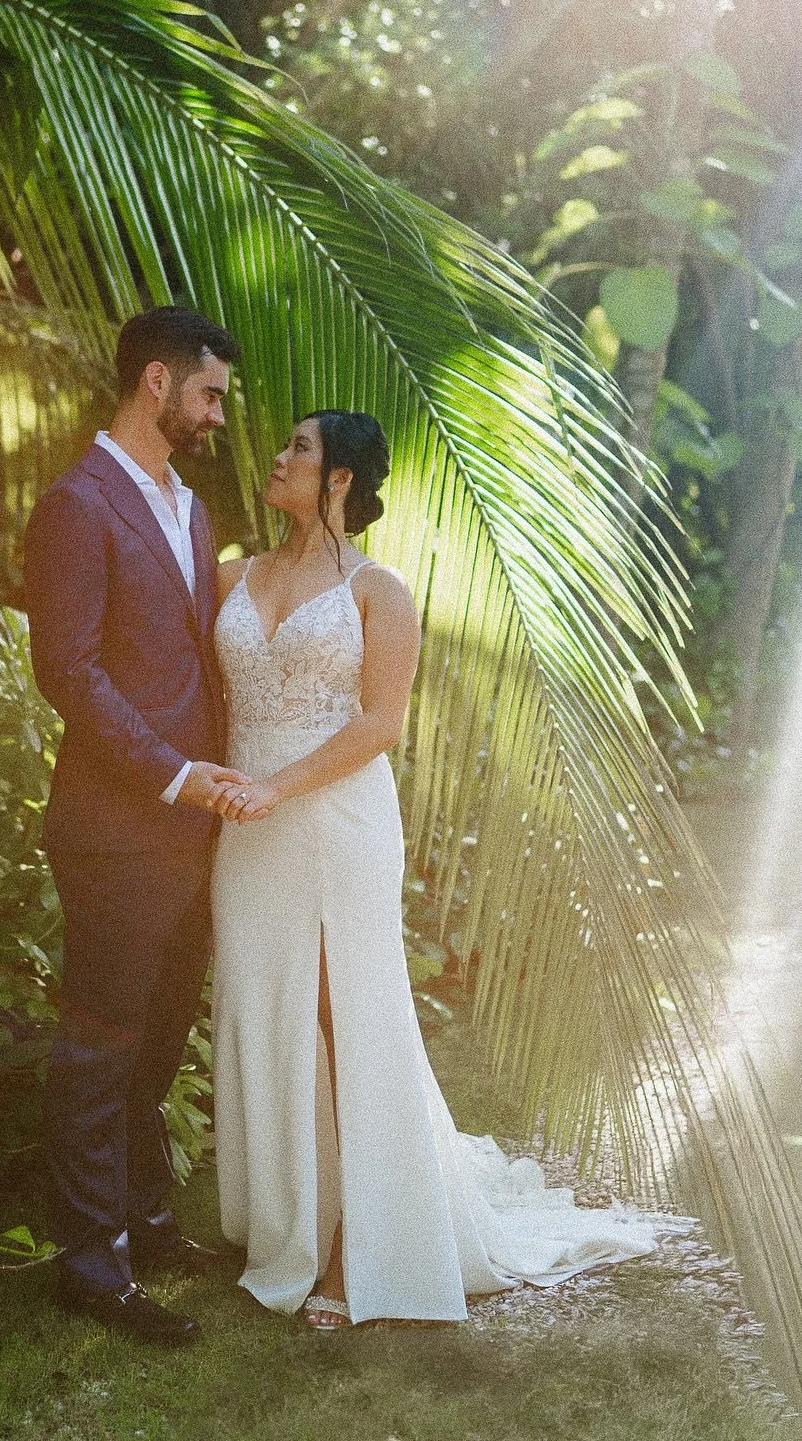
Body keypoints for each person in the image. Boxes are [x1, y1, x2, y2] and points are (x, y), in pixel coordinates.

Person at [209, 410, 682, 1329]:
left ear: (340, 479)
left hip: (335, 818)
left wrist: (276, 787)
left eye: (299, 448)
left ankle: (358, 1250)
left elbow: (381, 724)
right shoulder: (234, 574)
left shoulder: (380, 592)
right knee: (265, 1002)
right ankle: (288, 1219)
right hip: (247, 829)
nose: (278, 457)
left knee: (347, 1009)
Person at [24, 306, 247, 1347]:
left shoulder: (190, 511)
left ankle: (148, 1224)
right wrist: (169, 775)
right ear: (155, 382)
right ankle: (89, 1264)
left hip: (195, 830)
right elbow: (68, 670)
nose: (218, 416)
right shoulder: (76, 504)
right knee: (98, 1049)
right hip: (117, 827)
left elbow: (197, 655)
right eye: (209, 394)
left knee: (157, 1042)